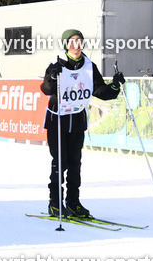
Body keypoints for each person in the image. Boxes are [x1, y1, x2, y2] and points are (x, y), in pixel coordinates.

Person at [40, 29, 125, 219]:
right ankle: (55, 203)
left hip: (77, 120)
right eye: (72, 42)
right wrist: (52, 76)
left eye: (79, 41)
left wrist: (115, 85)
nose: (76, 45)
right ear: (66, 45)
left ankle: (73, 202)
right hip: (58, 121)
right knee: (59, 163)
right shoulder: (57, 64)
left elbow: (101, 90)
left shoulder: (88, 65)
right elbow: (46, 89)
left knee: (75, 164)